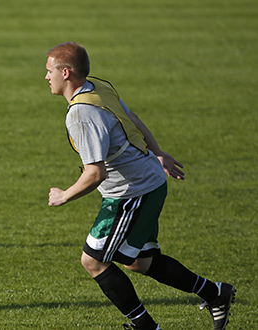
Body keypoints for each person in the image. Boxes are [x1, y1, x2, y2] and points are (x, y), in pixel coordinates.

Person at [44, 42, 235, 330]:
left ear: (66, 73)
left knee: (93, 261)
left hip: (131, 193)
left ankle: (145, 326)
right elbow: (131, 119)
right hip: (149, 181)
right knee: (139, 261)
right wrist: (157, 152)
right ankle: (215, 293)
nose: (46, 77)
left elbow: (95, 173)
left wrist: (64, 196)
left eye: (49, 71)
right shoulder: (98, 87)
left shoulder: (81, 115)